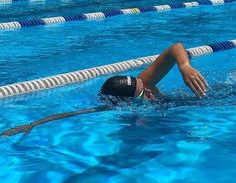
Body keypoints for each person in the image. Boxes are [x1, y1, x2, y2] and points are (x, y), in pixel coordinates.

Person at [0, 43, 208, 137]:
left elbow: (176, 47)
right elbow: (72, 114)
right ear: (126, 103)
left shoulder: (143, 83)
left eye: (146, 87)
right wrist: (33, 124)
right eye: (143, 94)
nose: (150, 91)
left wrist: (184, 66)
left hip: (204, 98)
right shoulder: (116, 109)